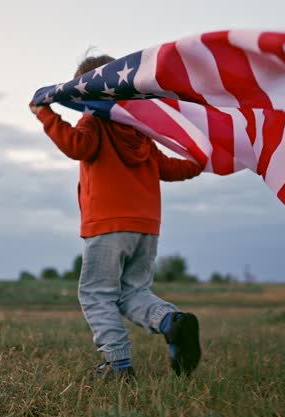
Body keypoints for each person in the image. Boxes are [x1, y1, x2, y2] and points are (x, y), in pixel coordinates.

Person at [29, 54, 203, 380]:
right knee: (132, 292)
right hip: (146, 227)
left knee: (96, 294)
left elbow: (78, 146)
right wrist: (201, 161)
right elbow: (169, 168)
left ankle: (118, 366)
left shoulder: (94, 120)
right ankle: (172, 322)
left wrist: (46, 115)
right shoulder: (140, 131)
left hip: (108, 224)